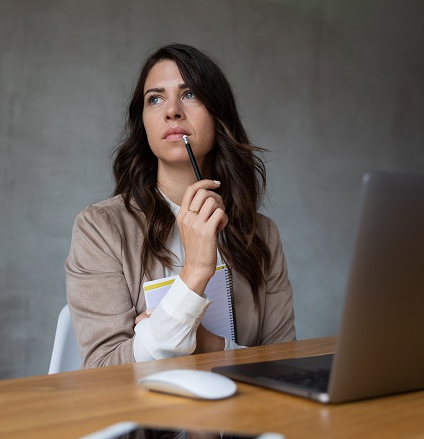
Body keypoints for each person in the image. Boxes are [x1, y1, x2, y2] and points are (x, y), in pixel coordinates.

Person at [65, 43, 295, 368]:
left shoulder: (263, 234)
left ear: (218, 114)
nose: (171, 111)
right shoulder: (100, 228)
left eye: (189, 94)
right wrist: (196, 272)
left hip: (241, 415)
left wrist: (211, 345)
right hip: (145, 416)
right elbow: (104, 370)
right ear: (144, 123)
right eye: (155, 99)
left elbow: (286, 366)